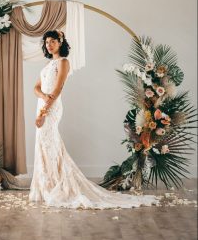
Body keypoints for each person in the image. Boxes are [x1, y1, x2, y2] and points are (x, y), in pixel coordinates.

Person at [28, 29, 159, 209]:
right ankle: (47, 186)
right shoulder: (46, 66)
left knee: (49, 143)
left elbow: (57, 90)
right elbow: (35, 87)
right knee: (43, 144)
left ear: (60, 43)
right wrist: (43, 96)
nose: (49, 45)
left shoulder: (63, 62)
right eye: (46, 42)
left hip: (51, 107)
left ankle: (58, 185)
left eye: (52, 41)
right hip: (44, 103)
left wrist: (43, 112)